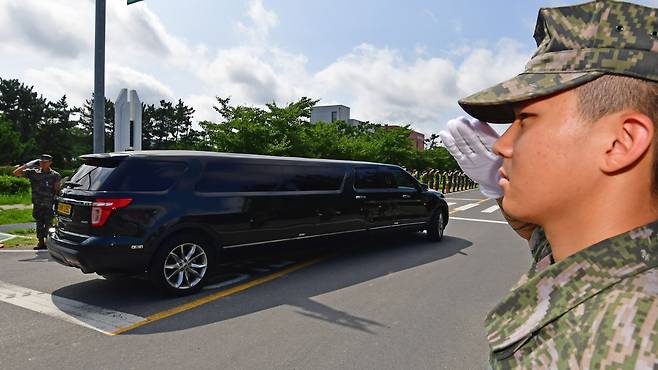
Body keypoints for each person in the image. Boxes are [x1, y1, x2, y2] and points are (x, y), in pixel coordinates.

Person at [440, 0, 658, 367]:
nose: (502, 144)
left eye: (525, 119)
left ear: (621, 142)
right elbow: (553, 250)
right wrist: (498, 185)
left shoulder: (632, 339)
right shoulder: (620, 260)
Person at [13, 154, 61, 250]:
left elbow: (56, 189)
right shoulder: (33, 172)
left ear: (50, 162)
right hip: (37, 202)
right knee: (39, 222)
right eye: (41, 162)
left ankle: (49, 242)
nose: (42, 164)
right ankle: (40, 242)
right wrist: (27, 165)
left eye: (45, 162)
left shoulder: (55, 175)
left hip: (49, 203)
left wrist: (56, 202)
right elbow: (16, 173)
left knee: (49, 223)